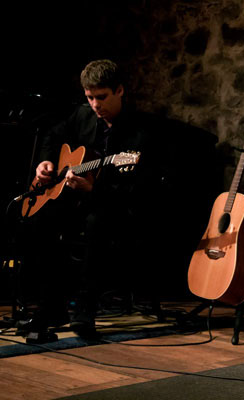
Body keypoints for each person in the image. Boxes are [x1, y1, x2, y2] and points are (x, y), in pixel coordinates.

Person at [20, 59, 152, 338]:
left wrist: (94, 190)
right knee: (37, 221)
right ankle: (50, 307)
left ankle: (85, 310)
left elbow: (138, 188)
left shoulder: (138, 131)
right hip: (74, 197)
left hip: (113, 204)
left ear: (119, 91)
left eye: (101, 97)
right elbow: (52, 137)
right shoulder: (82, 116)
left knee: (97, 224)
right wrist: (45, 163)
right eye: (90, 97)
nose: (95, 104)